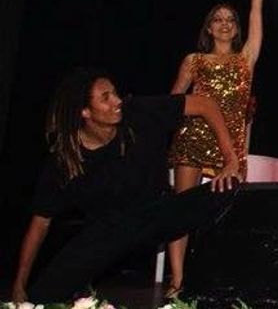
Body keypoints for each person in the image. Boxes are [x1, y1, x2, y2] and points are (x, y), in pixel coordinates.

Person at [11, 69, 241, 303]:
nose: (117, 100)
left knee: (229, 188)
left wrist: (231, 160)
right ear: (85, 111)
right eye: (106, 97)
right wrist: (19, 283)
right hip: (107, 233)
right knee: (41, 297)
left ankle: (221, 288)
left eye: (115, 93)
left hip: (157, 214)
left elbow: (205, 105)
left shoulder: (138, 112)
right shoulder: (65, 160)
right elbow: (40, 223)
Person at [166, 0, 267, 296]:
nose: (224, 24)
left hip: (230, 148)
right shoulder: (194, 60)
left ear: (236, 29)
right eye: (217, 20)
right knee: (181, 210)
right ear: (208, 28)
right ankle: (177, 282)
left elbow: (257, 12)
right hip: (193, 138)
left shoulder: (245, 59)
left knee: (225, 212)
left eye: (229, 20)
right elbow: (174, 102)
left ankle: (216, 279)